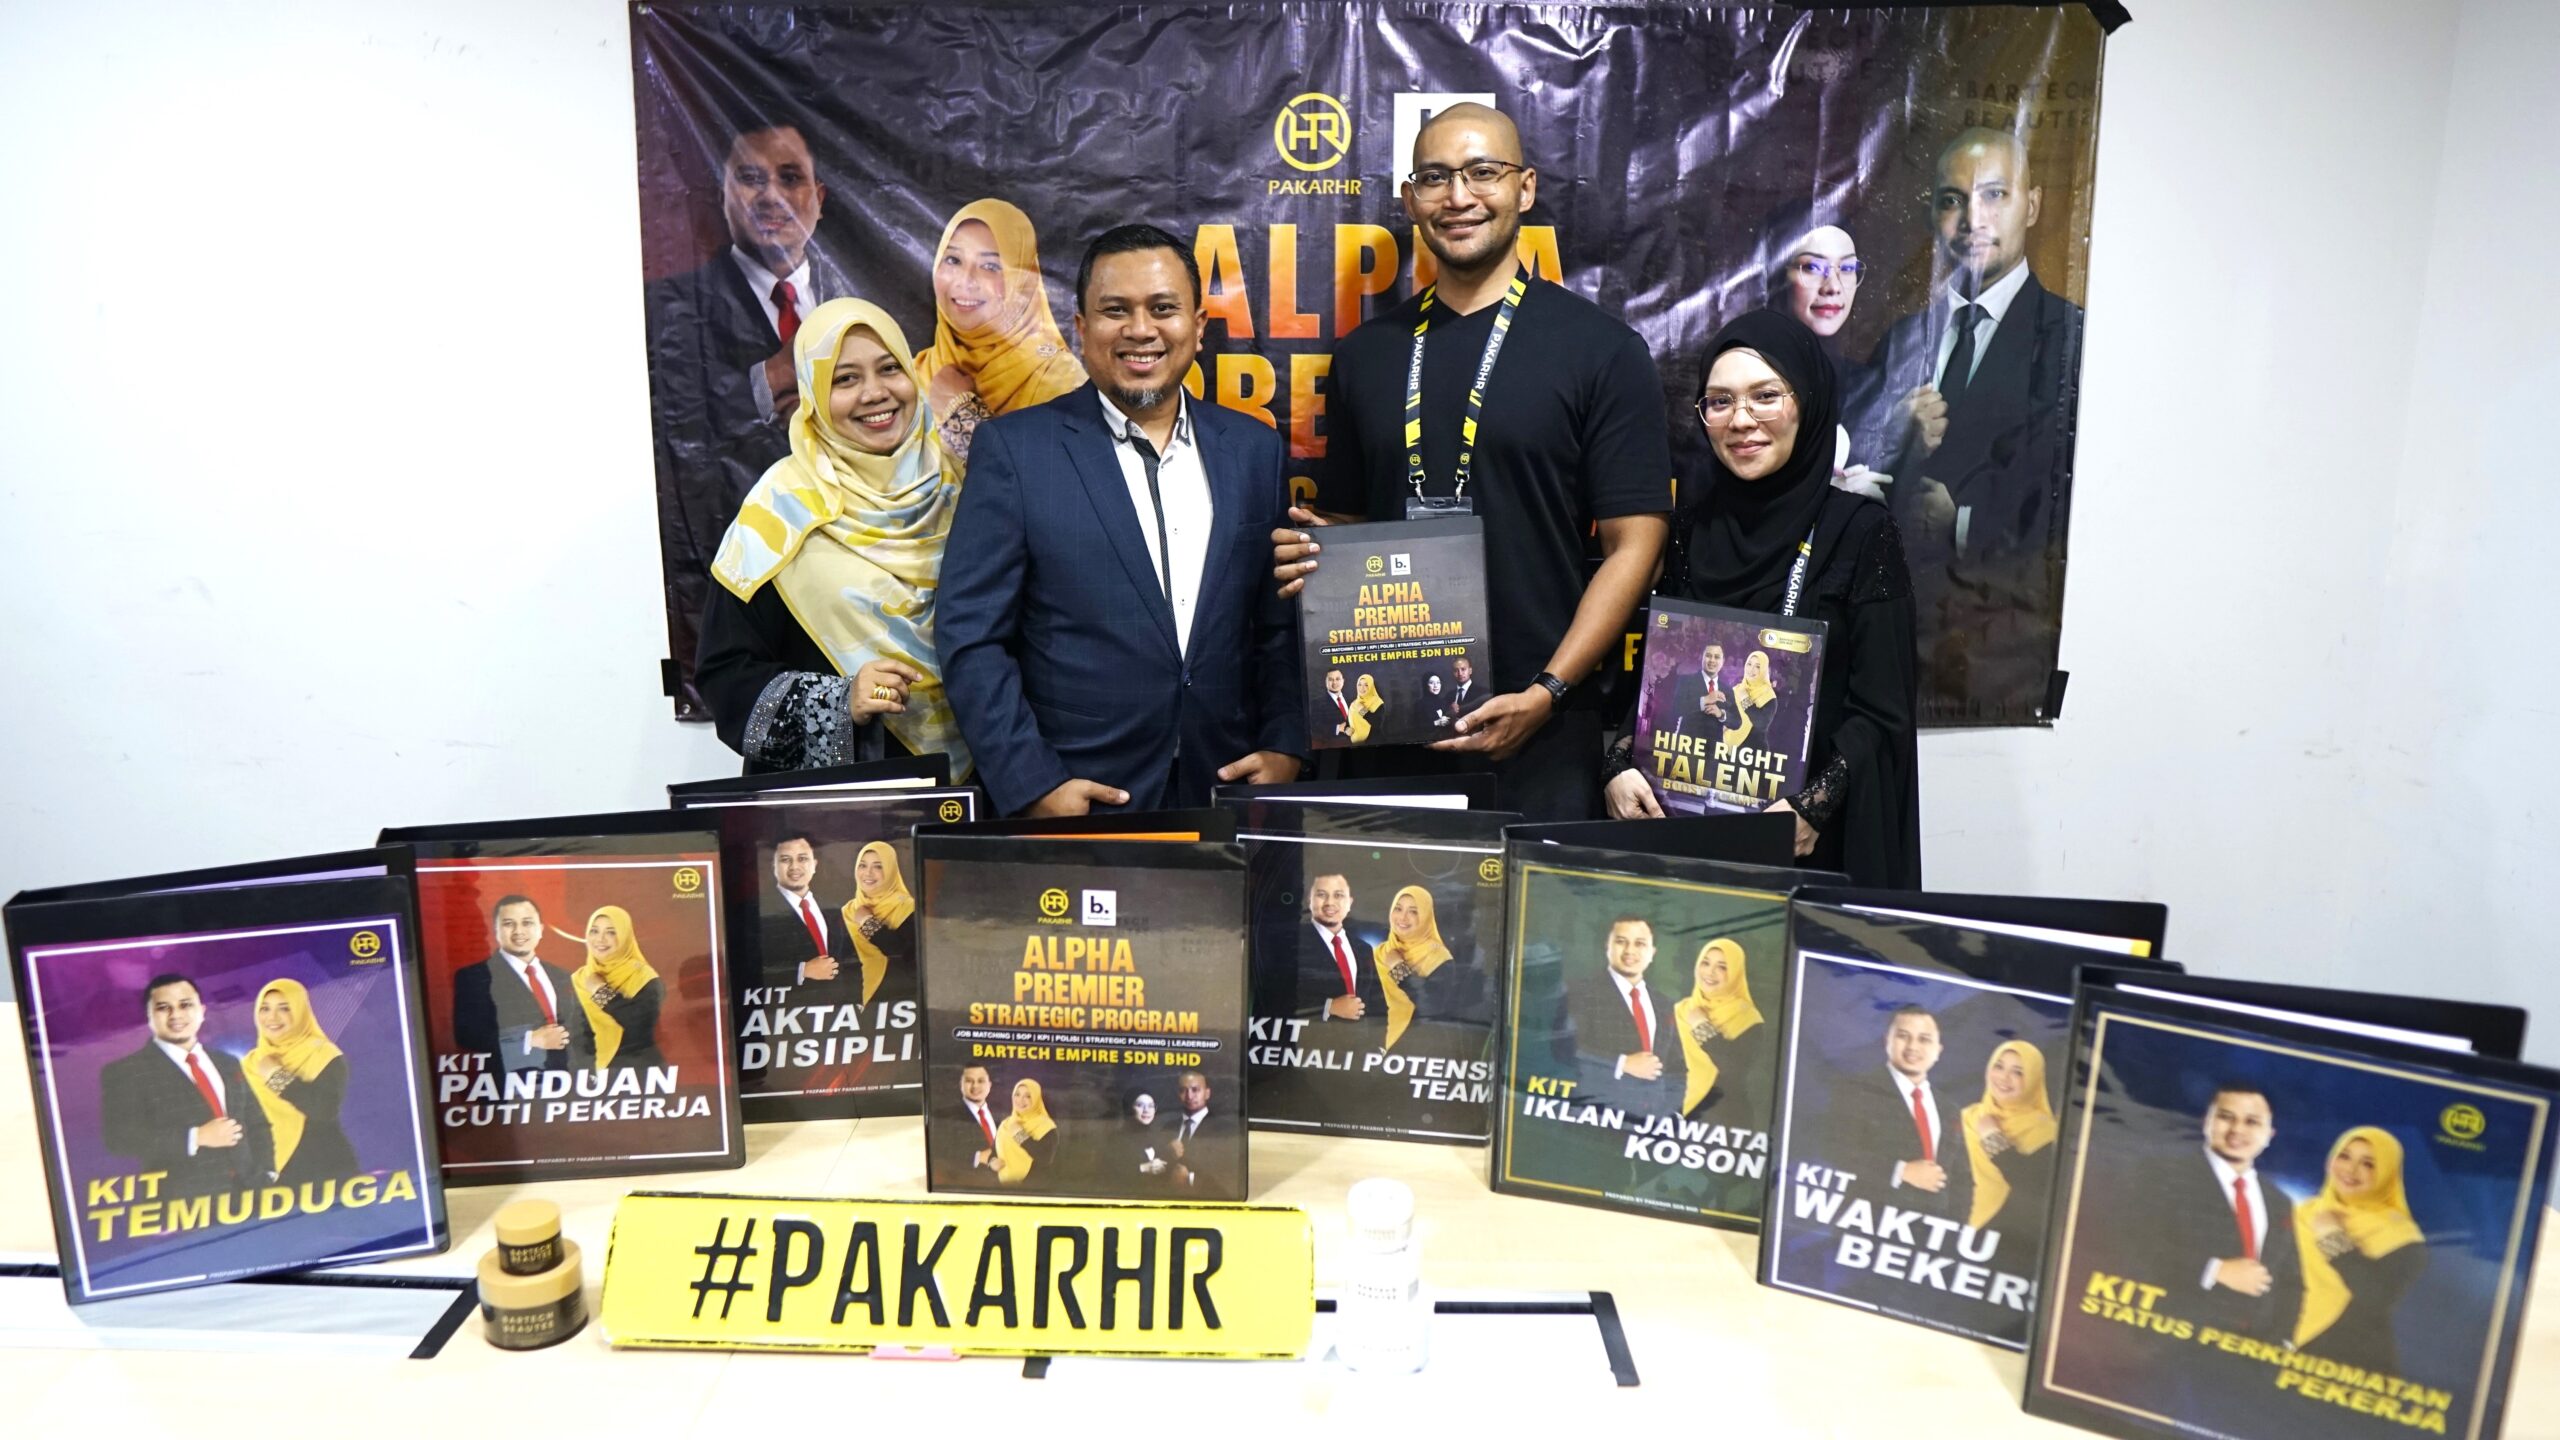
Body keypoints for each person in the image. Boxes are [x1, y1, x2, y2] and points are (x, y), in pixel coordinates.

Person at [1274, 102, 1672, 821]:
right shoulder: (1366, 354)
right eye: (1435, 177)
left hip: (1541, 731)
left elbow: (1635, 548)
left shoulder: (1602, 350)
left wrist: (1548, 691)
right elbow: (1355, 524)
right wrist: (1315, 551)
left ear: (1525, 187)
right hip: (1386, 726)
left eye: (1482, 172)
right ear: (1410, 201)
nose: (1458, 196)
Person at [941, 223, 1306, 815]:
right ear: (1081, 329)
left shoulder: (1252, 449)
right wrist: (1032, 785)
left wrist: (1285, 744)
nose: (1141, 329)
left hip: (1228, 792)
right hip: (1080, 799)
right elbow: (972, 637)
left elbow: (1276, 627)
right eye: (1116, 310)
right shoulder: (1016, 451)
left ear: (1198, 326)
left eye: (1163, 308)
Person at [1604, 308, 1922, 888]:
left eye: (1766, 396)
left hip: (1810, 846)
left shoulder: (1860, 533)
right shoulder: (1689, 531)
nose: (1741, 420)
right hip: (1688, 839)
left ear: (1808, 402)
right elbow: (1658, 678)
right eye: (1720, 402)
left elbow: (1883, 711)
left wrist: (1814, 806)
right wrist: (1619, 764)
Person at [1864, 127, 2086, 723]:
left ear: (2032, 206)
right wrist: (1891, 441)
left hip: (2004, 657)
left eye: (1994, 195)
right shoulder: (1902, 341)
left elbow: (2079, 499)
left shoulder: (2074, 341)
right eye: (1952, 200)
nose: (1972, 220)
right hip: (1891, 647)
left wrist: (1959, 522)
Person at [695, 298, 971, 777]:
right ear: (813, 393)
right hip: (834, 800)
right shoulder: (779, 511)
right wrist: (839, 702)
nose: (875, 393)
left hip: (980, 786)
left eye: (890, 368)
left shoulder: (966, 489)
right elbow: (724, 678)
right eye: (845, 379)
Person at [644, 120, 852, 712]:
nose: (771, 195)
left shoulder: (866, 300)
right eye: (751, 178)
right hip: (750, 587)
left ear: (819, 198)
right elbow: (675, 433)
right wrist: (770, 380)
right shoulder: (669, 307)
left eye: (790, 177)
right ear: (724, 194)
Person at [2115, 1084, 2305, 1344]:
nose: (2237, 1130)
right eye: (2226, 1117)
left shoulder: (2279, 1201)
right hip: (2172, 1342)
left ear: (2269, 1134)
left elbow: (2290, 1282)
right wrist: (2215, 1270)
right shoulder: (2161, 1174)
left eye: (2251, 1122)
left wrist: (2282, 1341)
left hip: (2252, 1350)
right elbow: (2131, 1245)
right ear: (2207, 1121)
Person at [914, 198, 1089, 460]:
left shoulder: (1060, 381)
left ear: (1023, 279)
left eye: (990, 266)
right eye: (953, 259)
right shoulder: (914, 373)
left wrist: (960, 412)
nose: (966, 280)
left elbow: (1053, 480)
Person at [98, 974, 274, 1196]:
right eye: (163, 1008)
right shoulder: (126, 1071)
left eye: (185, 1005)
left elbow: (256, 1122)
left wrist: (268, 1172)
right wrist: (197, 1137)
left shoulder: (227, 1062)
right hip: (186, 1203)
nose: (176, 1015)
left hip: (253, 1191)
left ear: (202, 1011)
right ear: (149, 1016)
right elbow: (120, 1139)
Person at [1822, 1004, 1973, 1225]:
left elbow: (1962, 1178)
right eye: (1903, 1036)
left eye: (1924, 1039)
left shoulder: (1949, 1108)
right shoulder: (1856, 1090)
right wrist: (1902, 1171)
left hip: (1933, 1232)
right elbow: (1836, 1150)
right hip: (1869, 1224)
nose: (1913, 1047)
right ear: (1887, 1041)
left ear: (1938, 1050)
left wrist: (1956, 1228)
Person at [2293, 1126, 2425, 1371]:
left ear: (2386, 1173)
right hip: (2277, 1345)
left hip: (2349, 1363)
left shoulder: (2400, 1235)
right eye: (2344, 1156)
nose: (2351, 1170)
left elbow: (2375, 1296)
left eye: (2368, 1164)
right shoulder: (2303, 1212)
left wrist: (2332, 1237)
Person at [452, 895, 596, 1075]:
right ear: (495, 930)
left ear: (540, 929)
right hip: (511, 1084)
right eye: (508, 924)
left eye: (527, 923)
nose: (518, 931)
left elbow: (582, 1032)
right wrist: (529, 1040)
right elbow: (467, 1035)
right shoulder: (474, 977)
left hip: (568, 1081)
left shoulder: (562, 976)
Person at [1560, 917, 1686, 1113]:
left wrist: (1668, 1114)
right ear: (1607, 946)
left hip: (1651, 1121)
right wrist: (1622, 1064)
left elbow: (1676, 1069)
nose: (1629, 951)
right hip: (1595, 1115)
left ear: (1652, 953)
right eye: (1621, 941)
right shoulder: (1580, 992)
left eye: (1640, 944)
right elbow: (1565, 1049)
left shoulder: (1664, 1004)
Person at [243, 978, 359, 1184]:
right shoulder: (250, 1062)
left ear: (300, 1012)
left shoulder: (324, 1055)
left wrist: (277, 1078)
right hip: (272, 1176)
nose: (272, 1017)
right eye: (265, 1008)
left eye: (284, 1008)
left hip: (325, 1169)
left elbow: (324, 1110)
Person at [1960, 1040, 2058, 1250]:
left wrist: (1993, 1138)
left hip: (1999, 1237)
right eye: (1999, 1066)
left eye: (2018, 1072)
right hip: (1947, 1220)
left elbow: (2033, 1187)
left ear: (2033, 1079)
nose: (2004, 1077)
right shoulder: (1967, 1116)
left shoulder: (2046, 1132)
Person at [1671, 938, 1767, 1121]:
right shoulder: (1680, 1010)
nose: (1710, 972)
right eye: (1705, 963)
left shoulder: (1747, 1018)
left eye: (1722, 967)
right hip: (1671, 1116)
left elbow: (1734, 1069)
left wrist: (1702, 1028)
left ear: (1736, 973)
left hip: (1722, 1120)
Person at [572, 906, 664, 1070]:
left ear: (624, 937)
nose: (600, 939)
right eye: (594, 931)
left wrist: (601, 992)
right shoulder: (578, 978)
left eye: (611, 932)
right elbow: (575, 1033)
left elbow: (639, 1026)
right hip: (589, 1075)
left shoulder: (644, 977)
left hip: (638, 1072)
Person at [760, 834, 850, 1000]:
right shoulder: (762, 910)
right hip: (788, 1006)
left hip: (838, 1005)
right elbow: (747, 966)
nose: (794, 866)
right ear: (774, 866)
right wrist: (803, 970)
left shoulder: (832, 908)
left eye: (802, 859)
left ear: (814, 865)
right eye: (785, 860)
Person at [1374, 885, 1457, 1049]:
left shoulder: (1439, 958)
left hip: (1416, 1045)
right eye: (1398, 909)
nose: (1403, 917)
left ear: (1426, 917)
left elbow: (1430, 1007)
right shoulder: (1379, 952)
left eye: (1413, 911)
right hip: (1374, 1043)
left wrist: (1398, 968)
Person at [1298, 871, 1382, 1025]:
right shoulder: (1292, 942)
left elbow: (1374, 998)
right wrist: (1328, 1007)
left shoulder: (1363, 949)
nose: (1330, 902)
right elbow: (1273, 992)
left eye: (1338, 895)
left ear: (1349, 903)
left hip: (1359, 1036)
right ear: (1310, 900)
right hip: (1310, 1035)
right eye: (1321, 895)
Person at [840, 839, 915, 1007]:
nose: (868, 873)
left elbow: (906, 956)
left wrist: (868, 923)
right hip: (852, 1000)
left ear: (891, 870)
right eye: (863, 865)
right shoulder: (848, 910)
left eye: (878, 866)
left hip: (896, 999)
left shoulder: (907, 907)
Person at [1164, 1071, 1240, 1194]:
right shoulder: (1167, 1127)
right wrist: (1167, 1154)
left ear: (1207, 1093)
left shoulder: (1226, 1130)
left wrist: (1189, 1179)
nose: (1189, 1096)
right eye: (1183, 1090)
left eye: (1195, 1090)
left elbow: (1228, 1173)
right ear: (1178, 1094)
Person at [939, 1064, 1007, 1186]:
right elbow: (941, 1154)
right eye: (969, 1081)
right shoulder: (945, 1117)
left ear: (989, 1085)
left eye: (981, 1081)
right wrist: (979, 1157)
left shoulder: (1003, 1114)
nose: (975, 1086)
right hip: (969, 1184)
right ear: (961, 1085)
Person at [993, 1078, 1060, 1185]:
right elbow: (994, 1151)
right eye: (1017, 1094)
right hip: (1004, 1186)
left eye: (1028, 1096)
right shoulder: (1006, 1124)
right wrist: (992, 1162)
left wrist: (1020, 1135)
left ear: (1036, 1098)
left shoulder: (1047, 1126)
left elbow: (1045, 1159)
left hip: (1033, 1187)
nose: (1020, 1100)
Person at [1668, 643, 1730, 738]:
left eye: (1717, 657)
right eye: (1708, 655)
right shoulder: (1686, 681)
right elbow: (1676, 709)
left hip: (1713, 745)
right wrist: (1704, 701)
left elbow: (1737, 721)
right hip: (1687, 743)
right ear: (1702, 657)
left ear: (1723, 661)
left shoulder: (1727, 689)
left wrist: (1721, 714)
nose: (1712, 660)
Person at [1721, 649, 1779, 751]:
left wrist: (1745, 699)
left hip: (1753, 752)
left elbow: (1761, 724)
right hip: (1727, 749)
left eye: (1757, 666)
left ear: (1764, 670)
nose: (1751, 669)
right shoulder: (1736, 689)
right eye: (1749, 664)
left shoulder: (1769, 696)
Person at [1117, 1089, 1172, 1185]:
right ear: (1130, 1108)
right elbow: (1110, 1173)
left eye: (1151, 1106)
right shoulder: (1117, 1139)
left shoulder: (1158, 1136)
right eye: (1140, 1105)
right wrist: (1143, 1168)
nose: (1146, 1110)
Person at [1346, 673, 1385, 743]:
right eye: (1359, 685)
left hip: (1374, 743)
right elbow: (1348, 723)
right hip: (1356, 744)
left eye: (1366, 685)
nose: (1362, 688)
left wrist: (1362, 710)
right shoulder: (1354, 704)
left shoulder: (1377, 702)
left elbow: (1377, 724)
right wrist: (1346, 729)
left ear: (1371, 686)